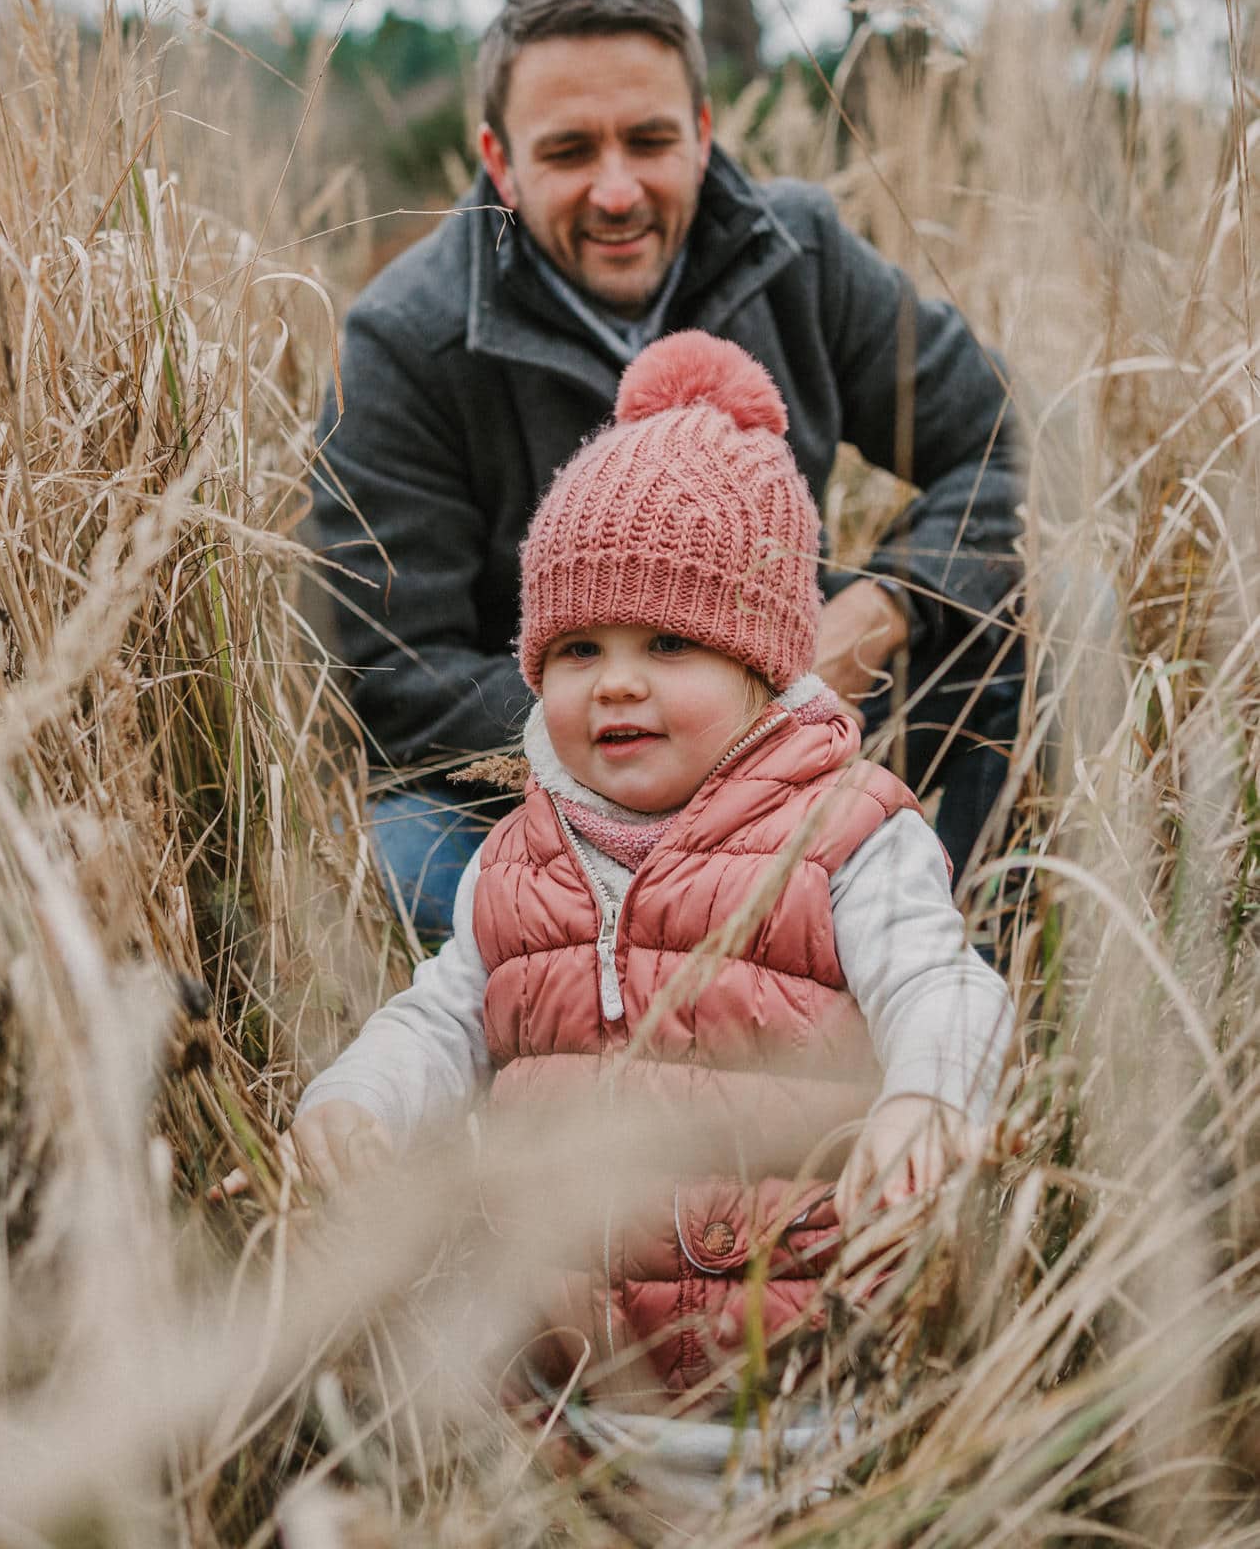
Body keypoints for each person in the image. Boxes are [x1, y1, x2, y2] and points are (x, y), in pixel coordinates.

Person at [294, 333, 1014, 1413]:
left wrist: (927, 1096)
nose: (616, 684)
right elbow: (441, 1018)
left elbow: (942, 983)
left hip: (805, 1389)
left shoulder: (845, 832)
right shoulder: (521, 854)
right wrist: (358, 1097)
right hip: (570, 1393)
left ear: (763, 666)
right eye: (578, 650)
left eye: (668, 644)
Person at [313, 0, 1023, 938]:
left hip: (805, 716)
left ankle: (948, 989)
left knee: (1054, 615)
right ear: (498, 158)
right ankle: (590, 1041)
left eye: (648, 140)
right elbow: (398, 675)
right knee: (400, 861)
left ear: (700, 131)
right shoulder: (403, 338)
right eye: (568, 151)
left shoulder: (801, 253)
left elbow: (1006, 441)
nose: (616, 190)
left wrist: (880, 606)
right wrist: (657, 751)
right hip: (553, 785)